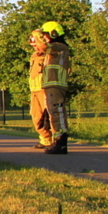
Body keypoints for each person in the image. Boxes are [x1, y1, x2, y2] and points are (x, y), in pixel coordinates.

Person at [41, 21, 72, 155]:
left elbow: (42, 47)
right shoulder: (55, 47)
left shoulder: (59, 46)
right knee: (53, 113)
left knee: (57, 112)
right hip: (52, 84)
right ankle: (57, 141)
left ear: (53, 34)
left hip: (56, 84)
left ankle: (61, 143)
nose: (45, 37)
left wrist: (37, 37)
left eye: (46, 34)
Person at [28, 29, 52, 149]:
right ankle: (44, 139)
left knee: (48, 116)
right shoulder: (34, 56)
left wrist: (39, 36)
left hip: (45, 89)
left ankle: (53, 139)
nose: (35, 47)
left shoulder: (49, 54)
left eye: (36, 44)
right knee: (36, 116)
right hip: (34, 90)